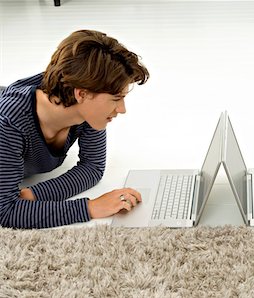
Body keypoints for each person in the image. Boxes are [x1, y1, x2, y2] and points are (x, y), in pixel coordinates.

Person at [0, 29, 149, 229]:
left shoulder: (84, 108)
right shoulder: (9, 125)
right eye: (116, 99)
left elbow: (93, 167)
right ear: (82, 94)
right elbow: (5, 211)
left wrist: (35, 194)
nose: (122, 109)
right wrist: (90, 208)